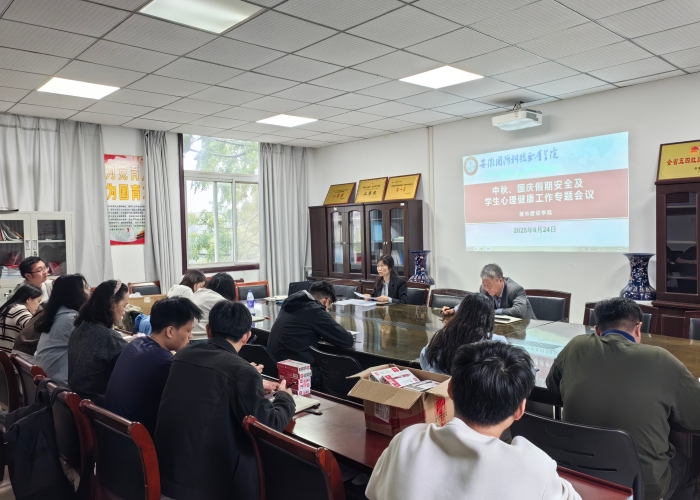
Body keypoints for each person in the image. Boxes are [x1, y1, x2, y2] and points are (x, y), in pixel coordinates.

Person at [366, 341, 580, 500]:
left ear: (450, 389)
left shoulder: (406, 441)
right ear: (520, 409)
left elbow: (373, 491)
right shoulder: (535, 469)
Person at [546, 298, 700, 500]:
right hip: (640, 486)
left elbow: (552, 386)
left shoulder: (576, 346)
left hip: (578, 473)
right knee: (687, 465)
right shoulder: (662, 359)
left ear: (597, 330)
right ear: (639, 328)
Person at [155, 301, 295, 500]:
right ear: (246, 336)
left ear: (208, 330)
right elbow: (269, 425)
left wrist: (251, 383)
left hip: (166, 473)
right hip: (206, 485)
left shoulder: (183, 355)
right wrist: (284, 397)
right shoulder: (242, 371)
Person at [104, 297, 202, 436]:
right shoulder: (164, 363)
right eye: (188, 331)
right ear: (170, 331)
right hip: (136, 440)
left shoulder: (136, 343)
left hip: (112, 432)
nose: (190, 336)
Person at [268, 280, 353, 386]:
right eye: (329, 306)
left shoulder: (289, 303)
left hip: (275, 367)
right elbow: (347, 340)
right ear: (326, 301)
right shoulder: (315, 310)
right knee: (341, 372)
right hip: (297, 373)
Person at [67, 280, 129, 404]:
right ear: (112, 303)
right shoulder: (107, 336)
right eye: (124, 305)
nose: (124, 311)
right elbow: (132, 363)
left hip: (80, 400)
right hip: (98, 405)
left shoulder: (81, 326)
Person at [420, 293, 507, 374]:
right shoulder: (497, 342)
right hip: (475, 385)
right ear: (489, 317)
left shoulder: (443, 335)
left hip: (440, 383)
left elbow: (424, 357)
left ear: (460, 312)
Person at [33, 274, 90, 386]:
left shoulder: (56, 314)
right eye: (85, 288)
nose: (88, 293)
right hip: (58, 383)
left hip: (47, 378)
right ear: (76, 293)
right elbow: (94, 346)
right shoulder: (70, 319)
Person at [442, 263, 535, 319]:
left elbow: (519, 311)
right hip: (502, 328)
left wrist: (494, 311)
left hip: (527, 329)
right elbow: (473, 303)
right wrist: (454, 310)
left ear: (500, 280)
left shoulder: (515, 289)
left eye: (490, 285)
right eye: (484, 285)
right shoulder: (483, 289)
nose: (487, 288)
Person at [190, 272, 236, 341]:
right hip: (205, 339)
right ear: (230, 289)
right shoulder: (219, 300)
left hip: (189, 338)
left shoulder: (198, 293)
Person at [0, 284, 42, 352]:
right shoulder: (20, 310)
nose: (39, 305)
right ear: (28, 299)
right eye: (38, 301)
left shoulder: (7, 308)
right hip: (10, 355)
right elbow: (34, 329)